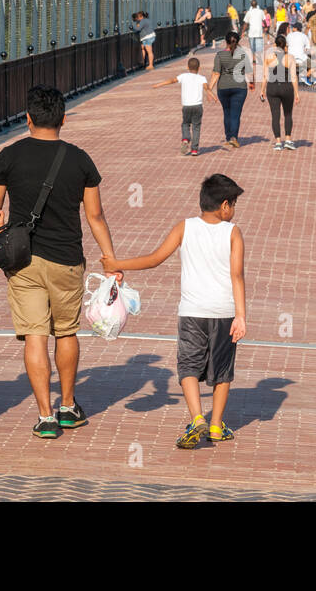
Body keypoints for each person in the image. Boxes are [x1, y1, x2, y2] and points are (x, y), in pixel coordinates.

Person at [0, 84, 121, 439]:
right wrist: (110, 260)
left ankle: (45, 416)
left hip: (22, 261)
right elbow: (96, 217)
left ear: (28, 119)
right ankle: (68, 406)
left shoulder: (8, 156)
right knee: (67, 331)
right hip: (67, 259)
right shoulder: (79, 159)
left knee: (35, 335)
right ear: (63, 119)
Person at [101, 174, 247, 449]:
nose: (234, 210)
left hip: (192, 311)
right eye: (234, 204)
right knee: (223, 370)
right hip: (224, 311)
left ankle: (196, 419)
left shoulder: (185, 227)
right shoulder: (233, 232)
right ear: (225, 205)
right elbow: (237, 275)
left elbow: (155, 258)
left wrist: (118, 263)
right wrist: (240, 315)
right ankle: (216, 425)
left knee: (188, 366)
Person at [154, 55, 215, 156]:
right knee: (196, 127)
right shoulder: (202, 78)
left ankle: (186, 138)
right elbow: (206, 88)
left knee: (185, 124)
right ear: (199, 68)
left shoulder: (183, 76)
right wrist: (213, 95)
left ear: (188, 67)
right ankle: (194, 149)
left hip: (186, 106)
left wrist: (159, 84)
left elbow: (172, 80)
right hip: (198, 106)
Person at [208, 31, 255, 149]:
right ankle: (234, 137)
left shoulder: (219, 55)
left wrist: (209, 89)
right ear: (238, 42)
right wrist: (251, 83)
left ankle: (228, 138)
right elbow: (249, 71)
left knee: (226, 112)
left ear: (226, 41)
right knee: (236, 114)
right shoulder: (242, 55)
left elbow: (216, 73)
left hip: (223, 87)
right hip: (239, 88)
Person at [260, 33, 302, 150]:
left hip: (272, 88)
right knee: (288, 114)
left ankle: (278, 142)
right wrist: (297, 93)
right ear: (285, 46)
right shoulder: (290, 58)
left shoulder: (268, 57)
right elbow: (293, 77)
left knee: (275, 115)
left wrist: (262, 90)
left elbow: (265, 76)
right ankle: (288, 139)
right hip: (286, 88)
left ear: (275, 45)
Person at [285, 21, 311, 86]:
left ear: (296, 28)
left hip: (290, 60)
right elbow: (307, 49)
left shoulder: (289, 35)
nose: (292, 28)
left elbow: (286, 47)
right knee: (314, 66)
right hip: (301, 59)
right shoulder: (304, 36)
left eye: (293, 27)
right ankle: (305, 77)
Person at [242, 0, 266, 66]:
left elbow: (245, 23)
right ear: (257, 4)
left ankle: (254, 59)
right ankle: (260, 58)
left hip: (251, 33)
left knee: (253, 47)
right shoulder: (261, 11)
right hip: (259, 32)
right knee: (259, 48)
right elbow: (264, 20)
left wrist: (242, 32)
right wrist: (266, 27)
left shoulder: (249, 12)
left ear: (251, 5)